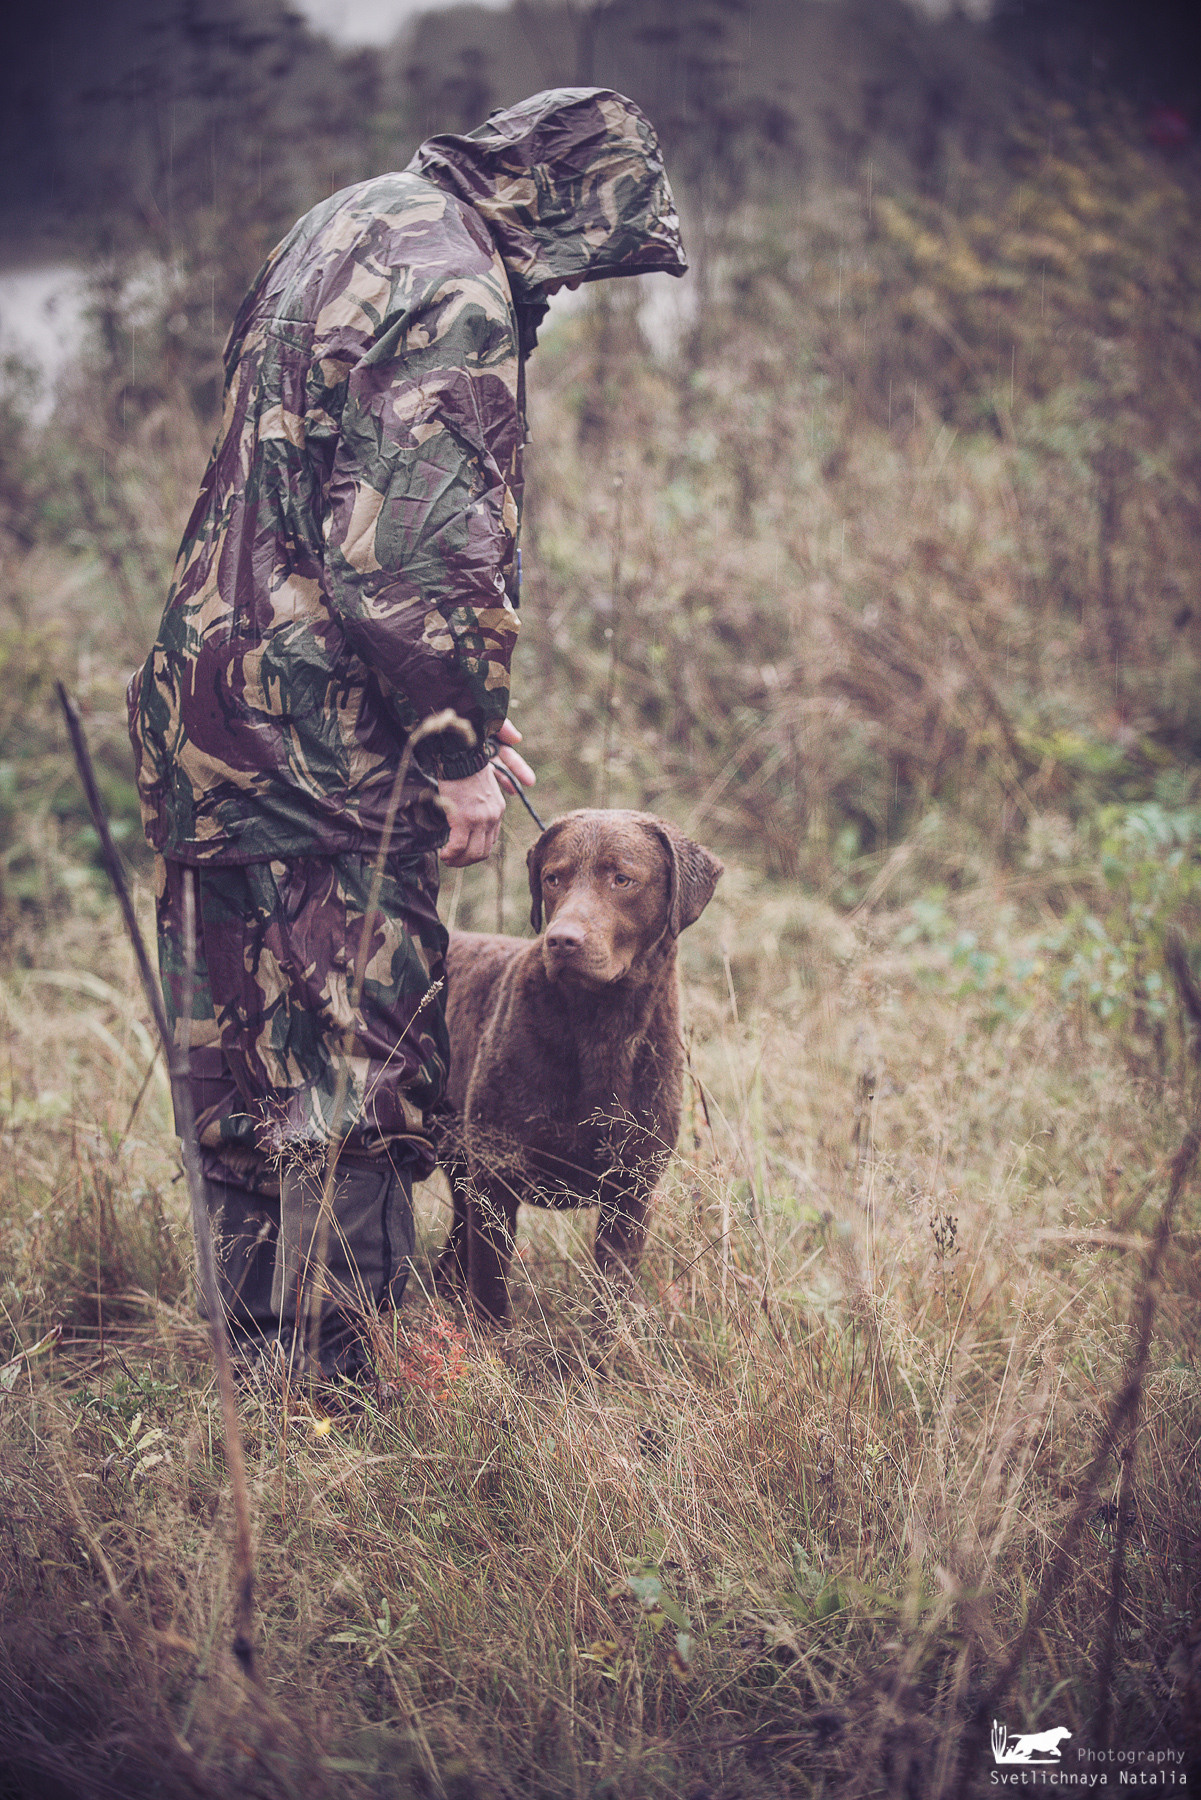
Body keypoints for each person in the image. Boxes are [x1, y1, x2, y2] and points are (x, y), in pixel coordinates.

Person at [126, 87, 687, 1376]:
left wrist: (442, 704)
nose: (568, 290)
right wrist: (452, 746)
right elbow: (419, 552)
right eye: (590, 261)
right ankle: (346, 1393)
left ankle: (260, 1369)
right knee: (350, 1075)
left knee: (241, 1072)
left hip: (212, 712)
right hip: (324, 756)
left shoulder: (345, 225)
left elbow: (308, 495)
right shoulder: (455, 284)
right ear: (560, 208)